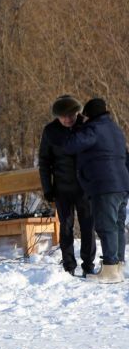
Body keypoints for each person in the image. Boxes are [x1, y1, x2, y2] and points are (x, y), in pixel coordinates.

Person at [61, 98, 129, 284]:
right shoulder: (115, 129)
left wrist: (78, 127)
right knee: (117, 226)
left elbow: (71, 145)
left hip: (104, 185)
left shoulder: (93, 129)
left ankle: (109, 269)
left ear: (89, 115)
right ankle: (117, 266)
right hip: (122, 184)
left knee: (106, 226)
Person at [39, 95, 95, 276]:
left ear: (77, 113)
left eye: (71, 114)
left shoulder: (86, 126)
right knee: (66, 227)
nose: (68, 119)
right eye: (64, 116)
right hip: (62, 188)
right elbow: (44, 162)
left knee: (88, 226)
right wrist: (47, 188)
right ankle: (69, 265)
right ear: (57, 117)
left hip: (86, 187)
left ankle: (88, 264)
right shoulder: (50, 131)